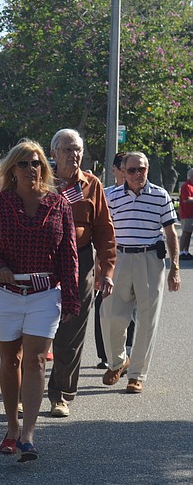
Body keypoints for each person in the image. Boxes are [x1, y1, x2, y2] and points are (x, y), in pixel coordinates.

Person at [0, 139, 79, 462]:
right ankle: (11, 427)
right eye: (24, 164)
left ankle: (29, 435)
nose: (31, 169)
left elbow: (69, 255)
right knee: (11, 360)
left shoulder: (58, 203)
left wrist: (72, 298)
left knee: (35, 360)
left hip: (44, 294)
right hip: (6, 294)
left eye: (36, 163)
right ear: (12, 170)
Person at [44, 129, 116, 418]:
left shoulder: (92, 184)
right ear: (53, 153)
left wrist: (106, 270)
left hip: (81, 262)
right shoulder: (39, 181)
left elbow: (104, 231)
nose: (74, 155)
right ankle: (24, 394)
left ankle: (60, 394)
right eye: (67, 149)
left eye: (78, 150)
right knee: (33, 330)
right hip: (43, 262)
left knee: (71, 332)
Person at [101, 152, 181, 394]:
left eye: (142, 169)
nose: (138, 174)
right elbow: (103, 233)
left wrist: (175, 268)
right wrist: (100, 265)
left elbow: (171, 234)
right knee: (111, 316)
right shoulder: (110, 196)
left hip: (150, 259)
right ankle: (117, 362)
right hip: (120, 257)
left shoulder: (160, 195)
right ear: (123, 171)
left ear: (147, 170)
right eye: (133, 170)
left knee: (147, 320)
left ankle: (136, 375)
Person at [95, 151, 134, 370]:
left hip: (132, 258)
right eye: (125, 169)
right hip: (109, 256)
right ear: (115, 171)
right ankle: (105, 354)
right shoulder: (105, 194)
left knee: (130, 308)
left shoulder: (143, 193)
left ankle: (127, 350)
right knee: (105, 307)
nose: (129, 174)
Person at [178, 168, 193, 260]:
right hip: (186, 214)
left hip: (191, 214)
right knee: (185, 233)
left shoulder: (191, 186)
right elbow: (186, 199)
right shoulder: (186, 186)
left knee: (189, 233)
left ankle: (186, 251)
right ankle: (180, 252)